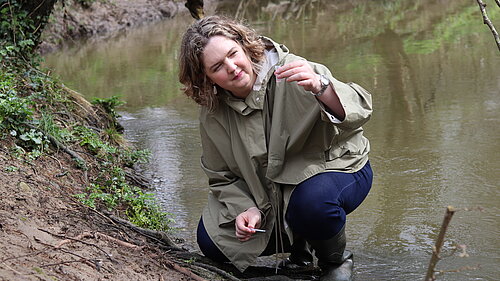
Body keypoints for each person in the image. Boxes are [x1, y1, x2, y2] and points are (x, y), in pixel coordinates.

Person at [178, 15, 373, 281]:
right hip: (268, 193)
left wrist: (322, 87)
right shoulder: (213, 114)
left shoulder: (292, 70)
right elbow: (221, 176)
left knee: (312, 206)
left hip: (337, 169)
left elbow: (361, 110)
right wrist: (245, 208)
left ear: (244, 46)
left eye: (233, 54)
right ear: (206, 78)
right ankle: (300, 251)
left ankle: (334, 260)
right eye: (217, 67)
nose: (232, 68)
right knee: (211, 240)